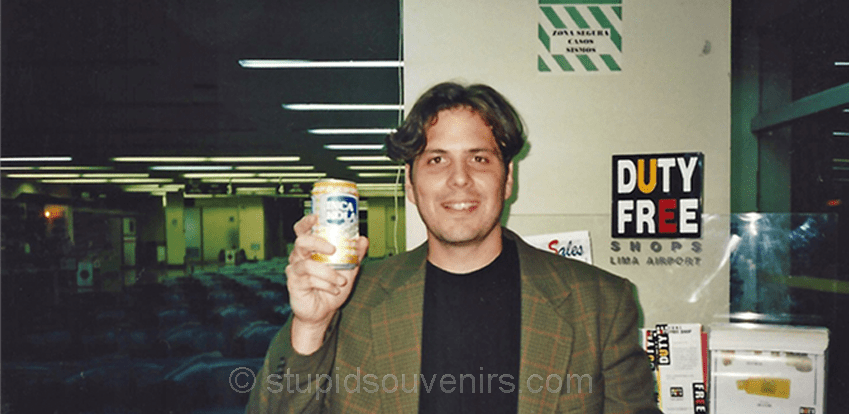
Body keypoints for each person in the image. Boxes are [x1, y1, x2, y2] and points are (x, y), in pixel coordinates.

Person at [246, 82, 660, 413]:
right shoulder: (353, 301)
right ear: (410, 183)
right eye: (436, 160)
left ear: (507, 179)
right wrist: (311, 326)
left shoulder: (598, 303)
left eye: (479, 159)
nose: (459, 179)